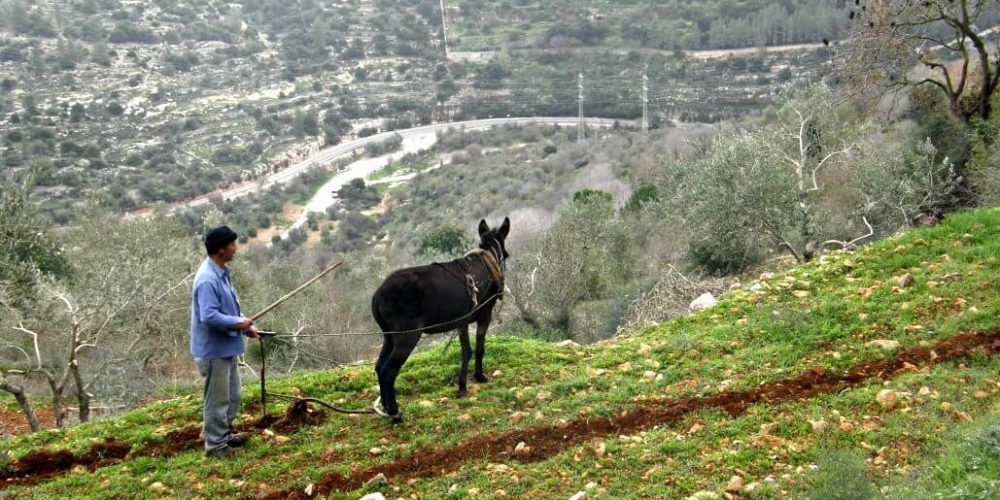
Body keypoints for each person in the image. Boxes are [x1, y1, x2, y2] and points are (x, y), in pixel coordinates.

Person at [190, 226, 258, 458]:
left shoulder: (220, 271)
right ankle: (215, 446)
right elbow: (208, 316)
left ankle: (222, 434)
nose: (235, 248)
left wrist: (245, 326)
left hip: (225, 347)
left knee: (233, 396)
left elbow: (229, 309)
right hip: (213, 351)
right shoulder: (208, 279)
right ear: (220, 248)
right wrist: (239, 324)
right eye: (232, 244)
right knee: (217, 401)